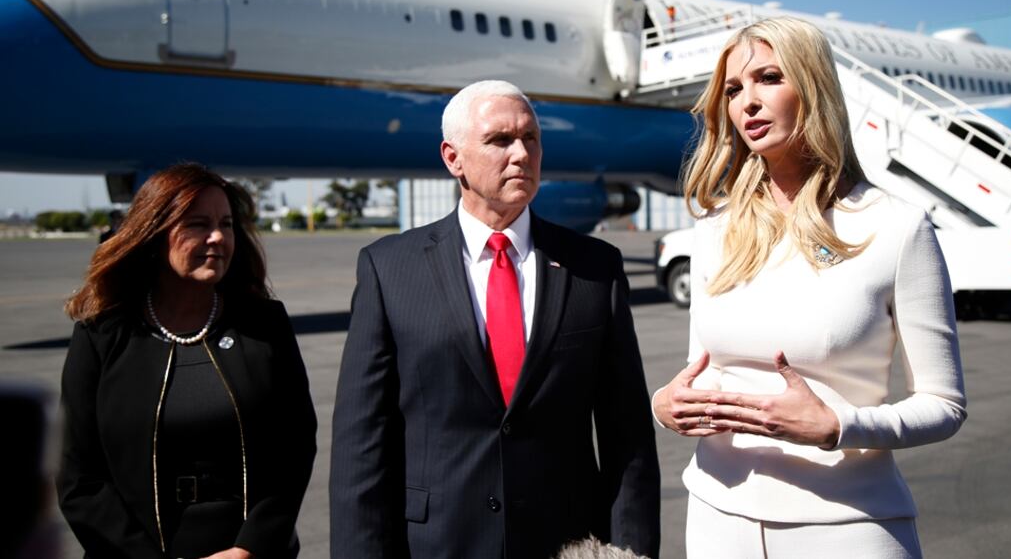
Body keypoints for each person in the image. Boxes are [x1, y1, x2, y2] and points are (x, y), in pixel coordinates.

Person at [652, 17, 967, 558]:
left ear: (814, 87)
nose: (747, 102)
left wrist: (836, 426)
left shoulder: (896, 226)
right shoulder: (713, 230)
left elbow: (944, 405)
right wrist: (665, 403)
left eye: (769, 78)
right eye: (733, 89)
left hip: (846, 523)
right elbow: (702, 372)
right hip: (714, 517)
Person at [329, 80, 660, 559]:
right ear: (453, 158)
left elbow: (625, 434)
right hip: (436, 544)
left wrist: (630, 552)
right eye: (500, 140)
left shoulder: (595, 267)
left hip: (567, 544)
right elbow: (361, 441)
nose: (521, 154)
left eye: (531, 139)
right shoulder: (389, 268)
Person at [58, 163, 317, 559]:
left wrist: (251, 548)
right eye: (198, 224)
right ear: (153, 233)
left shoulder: (264, 325)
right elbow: (80, 478)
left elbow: (295, 447)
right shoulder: (102, 336)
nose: (217, 237)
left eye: (226, 224)